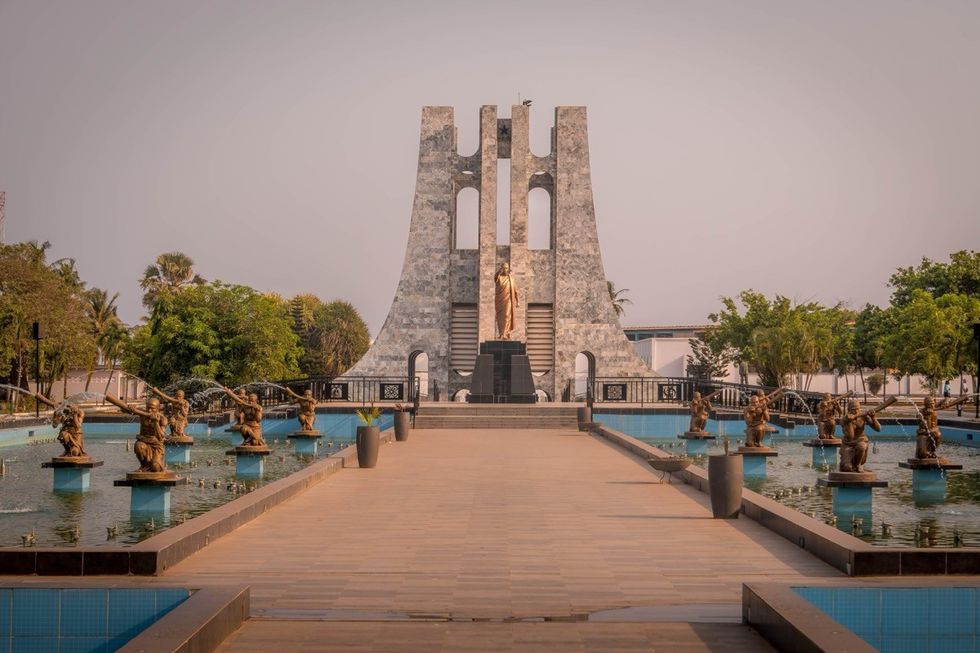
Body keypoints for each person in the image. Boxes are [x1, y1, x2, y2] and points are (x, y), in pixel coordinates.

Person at [106, 394, 168, 473]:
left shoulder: (163, 419)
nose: (149, 410)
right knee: (138, 445)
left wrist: (155, 423)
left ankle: (156, 463)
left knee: (156, 468)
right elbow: (124, 410)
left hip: (156, 445)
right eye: (148, 408)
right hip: (144, 441)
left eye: (152, 409)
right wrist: (131, 408)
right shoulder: (142, 413)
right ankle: (144, 466)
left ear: (158, 409)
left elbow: (161, 437)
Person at [34, 393, 87, 458]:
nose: (68, 406)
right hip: (65, 432)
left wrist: (75, 415)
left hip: (76, 435)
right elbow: (54, 425)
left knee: (74, 452)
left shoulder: (80, 412)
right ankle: (67, 450)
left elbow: (78, 426)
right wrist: (56, 415)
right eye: (67, 405)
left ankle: (74, 449)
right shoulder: (62, 412)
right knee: (63, 434)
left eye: (70, 405)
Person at [839, 399, 881, 473]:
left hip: (860, 441)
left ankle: (858, 465)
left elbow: (878, 429)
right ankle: (848, 463)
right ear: (848, 410)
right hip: (848, 444)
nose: (856, 411)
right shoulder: (844, 420)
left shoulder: (863, 417)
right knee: (847, 468)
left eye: (857, 409)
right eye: (853, 409)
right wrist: (849, 422)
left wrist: (873, 417)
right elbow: (850, 436)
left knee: (862, 446)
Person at [494, 262, 518, 340]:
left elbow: (515, 291)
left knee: (507, 316)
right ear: (501, 268)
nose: (505, 269)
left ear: (508, 269)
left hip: (508, 300)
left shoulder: (511, 279)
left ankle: (505, 333)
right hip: (500, 300)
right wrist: (498, 272)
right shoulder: (499, 278)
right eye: (503, 268)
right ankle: (501, 334)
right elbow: (495, 278)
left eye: (506, 268)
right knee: (500, 317)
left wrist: (517, 301)